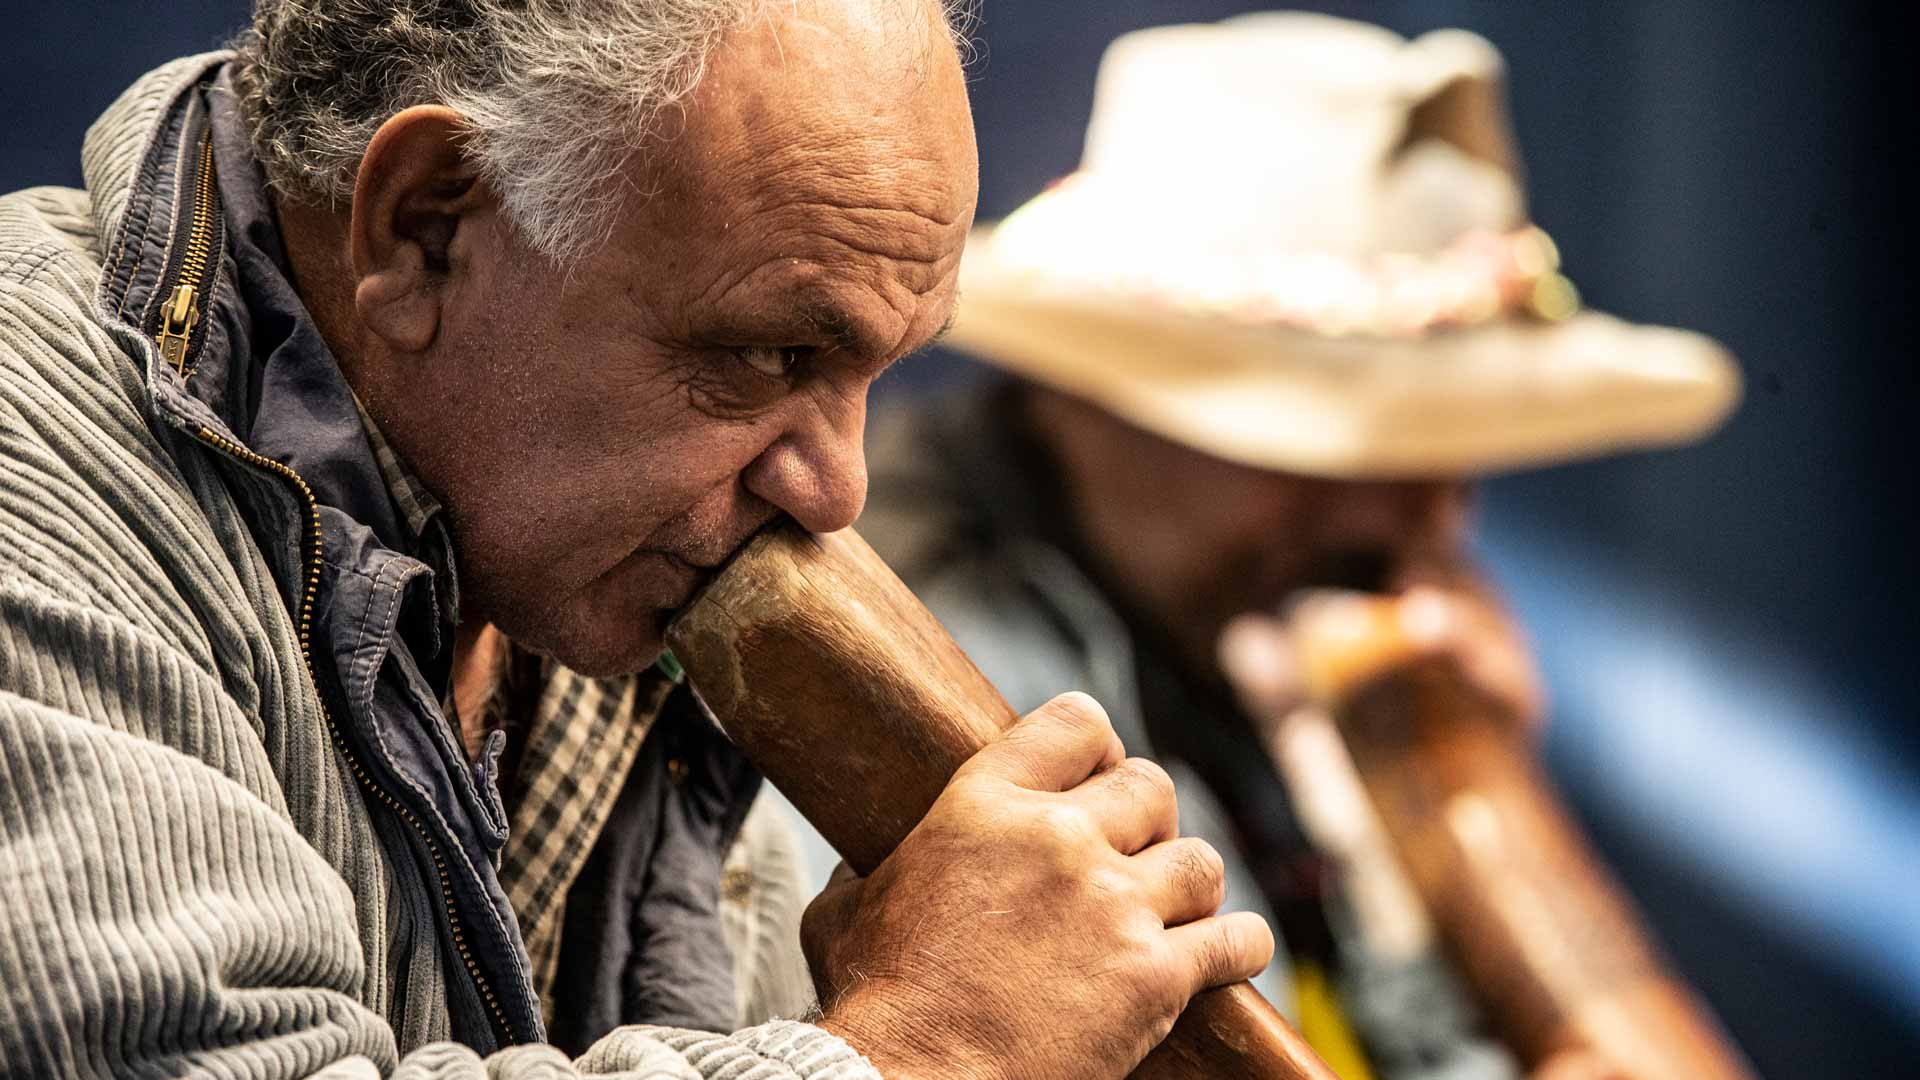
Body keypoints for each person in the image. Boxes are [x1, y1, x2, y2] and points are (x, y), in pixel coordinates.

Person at [0, 1, 1276, 1076]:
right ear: (427, 225)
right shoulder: (31, 472)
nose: (838, 492)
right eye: (770, 355)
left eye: (870, 376)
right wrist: (926, 1042)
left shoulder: (584, 566)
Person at [855, 14, 1741, 1080]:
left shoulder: (1219, 624)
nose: (1414, 525)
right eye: (1340, 455)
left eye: (1452, 456)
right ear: (1109, 393)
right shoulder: (926, 654)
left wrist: (1412, 830)